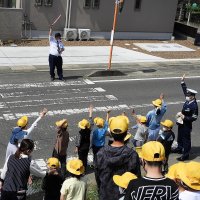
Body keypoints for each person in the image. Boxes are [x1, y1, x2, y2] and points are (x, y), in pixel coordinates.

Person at [96, 115, 141, 200]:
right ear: (126, 133)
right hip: (125, 195)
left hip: (105, 194)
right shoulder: (132, 155)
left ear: (111, 133)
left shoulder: (100, 153)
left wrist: (100, 190)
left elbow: (98, 176)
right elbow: (136, 178)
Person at [172, 74, 198, 161]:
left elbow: (194, 117)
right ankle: (179, 148)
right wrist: (182, 81)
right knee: (180, 136)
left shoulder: (194, 106)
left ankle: (185, 155)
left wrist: (184, 117)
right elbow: (185, 91)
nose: (186, 96)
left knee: (186, 139)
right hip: (181, 122)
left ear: (193, 96)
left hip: (187, 124)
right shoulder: (189, 100)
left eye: (188, 95)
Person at [75, 105, 93, 171]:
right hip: (87, 147)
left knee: (80, 159)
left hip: (81, 148)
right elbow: (91, 122)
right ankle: (84, 169)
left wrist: (76, 147)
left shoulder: (80, 132)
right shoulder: (89, 130)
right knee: (85, 158)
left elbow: (78, 141)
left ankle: (80, 170)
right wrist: (90, 113)